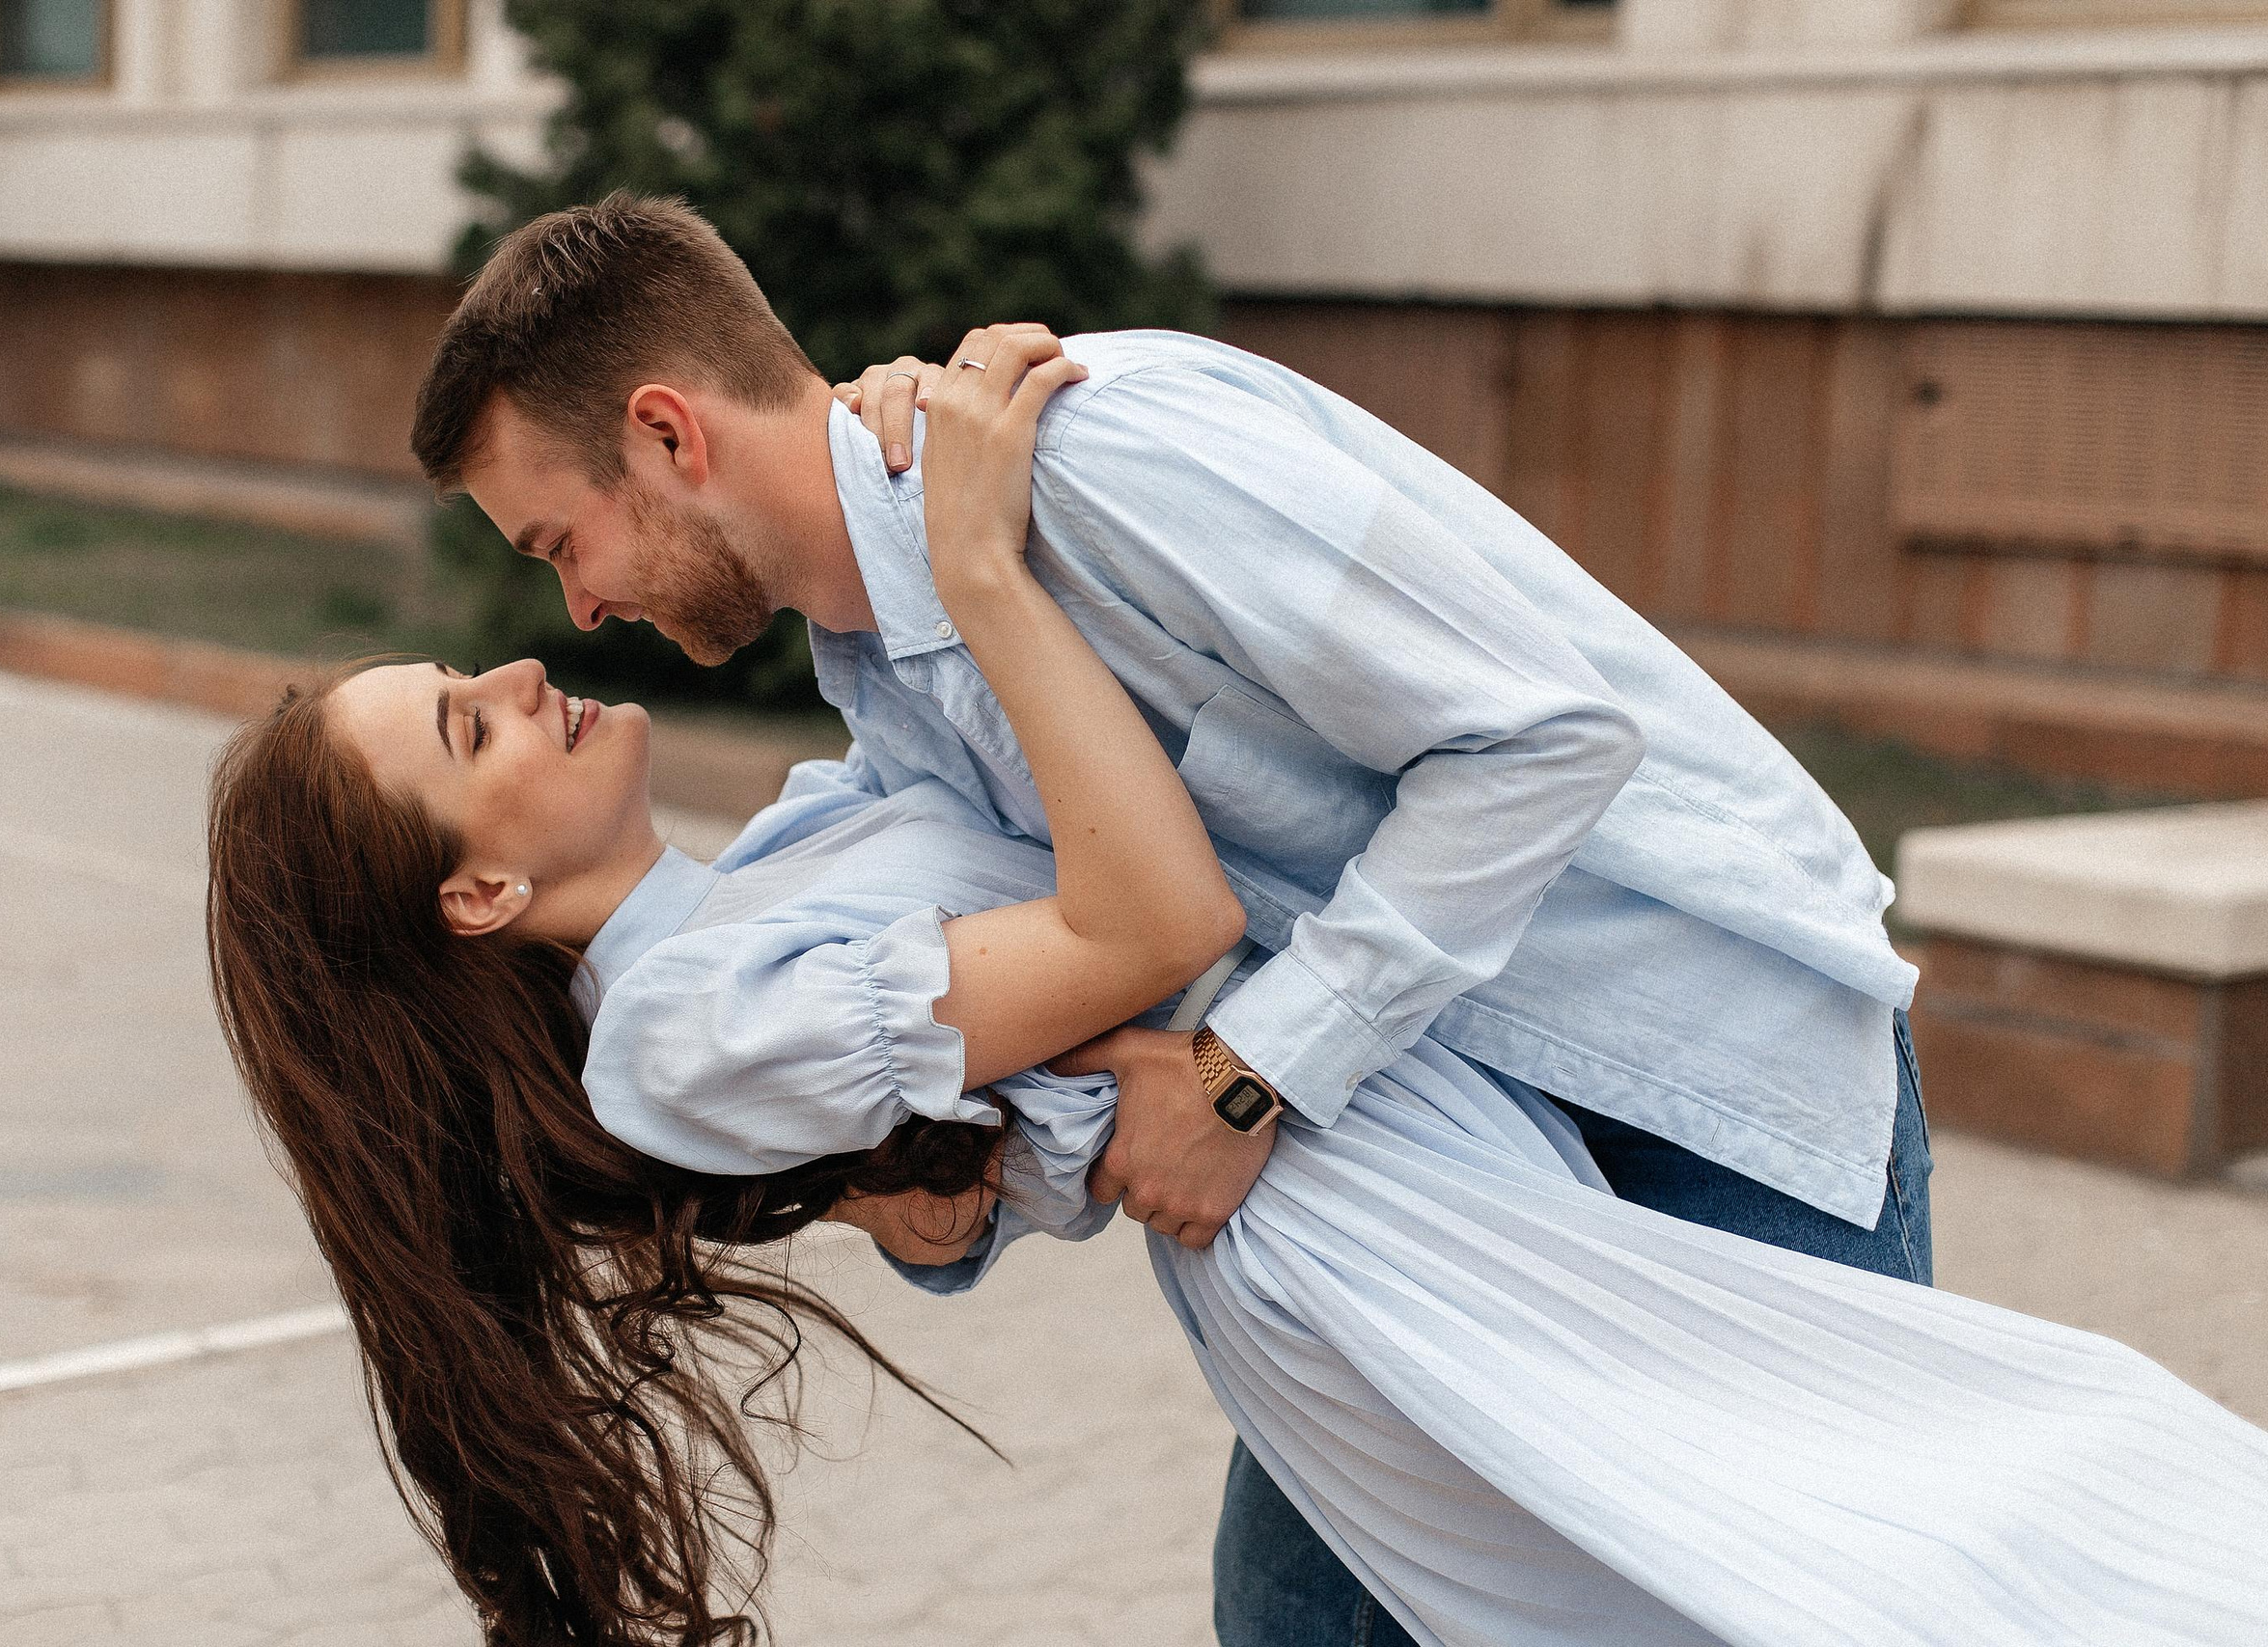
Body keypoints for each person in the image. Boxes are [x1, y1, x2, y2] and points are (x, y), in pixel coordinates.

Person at [212, 335, 2268, 1647]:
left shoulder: (894, 698)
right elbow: (1120, 946)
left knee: (1914, 1555)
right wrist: (987, 1149)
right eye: (470, 716)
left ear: (665, 429)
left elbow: (1068, 1015)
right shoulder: (743, 920)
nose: (548, 633)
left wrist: (968, 1160)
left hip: (1640, 1083)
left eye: (552, 547)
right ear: (478, 889)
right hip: (1382, 1214)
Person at [406, 191, 1935, 1642]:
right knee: (1299, 1624)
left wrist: (1248, 1076)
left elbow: (1541, 741)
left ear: (667, 434)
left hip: (1697, 1079)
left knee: (1795, 1608)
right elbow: (1037, 997)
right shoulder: (893, 684)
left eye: (559, 544)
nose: (578, 611)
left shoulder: (1100, 464)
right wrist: (904, 1177)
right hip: (1447, 1159)